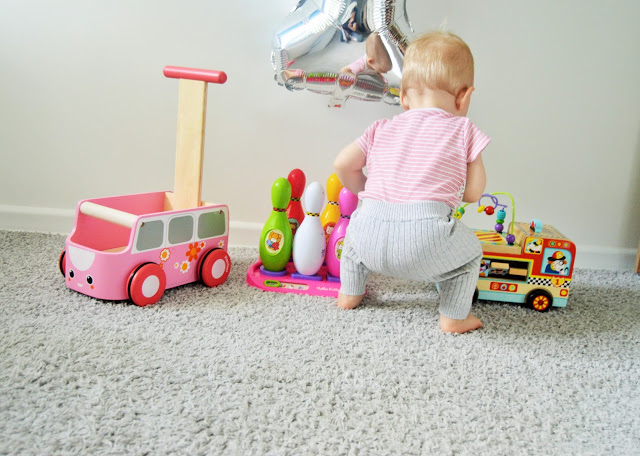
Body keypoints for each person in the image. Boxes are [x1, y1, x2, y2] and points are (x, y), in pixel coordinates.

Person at [333, 31, 490, 334]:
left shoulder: (381, 127)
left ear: (403, 96)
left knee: (353, 239)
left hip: (368, 235)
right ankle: (454, 317)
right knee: (470, 255)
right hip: (425, 242)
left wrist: (368, 193)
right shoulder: (464, 130)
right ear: (464, 96)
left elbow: (342, 163)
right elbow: (473, 194)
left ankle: (349, 294)